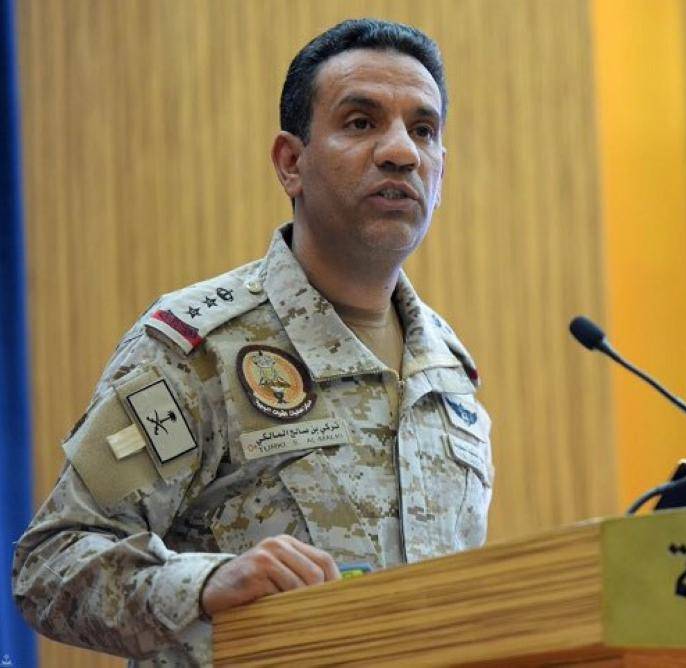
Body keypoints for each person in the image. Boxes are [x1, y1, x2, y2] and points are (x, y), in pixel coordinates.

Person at [12, 18, 492, 666]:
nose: (401, 151)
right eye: (361, 122)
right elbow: (51, 564)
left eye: (424, 130)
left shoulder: (447, 370)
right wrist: (205, 585)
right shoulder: (199, 351)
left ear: (440, 170)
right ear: (292, 164)